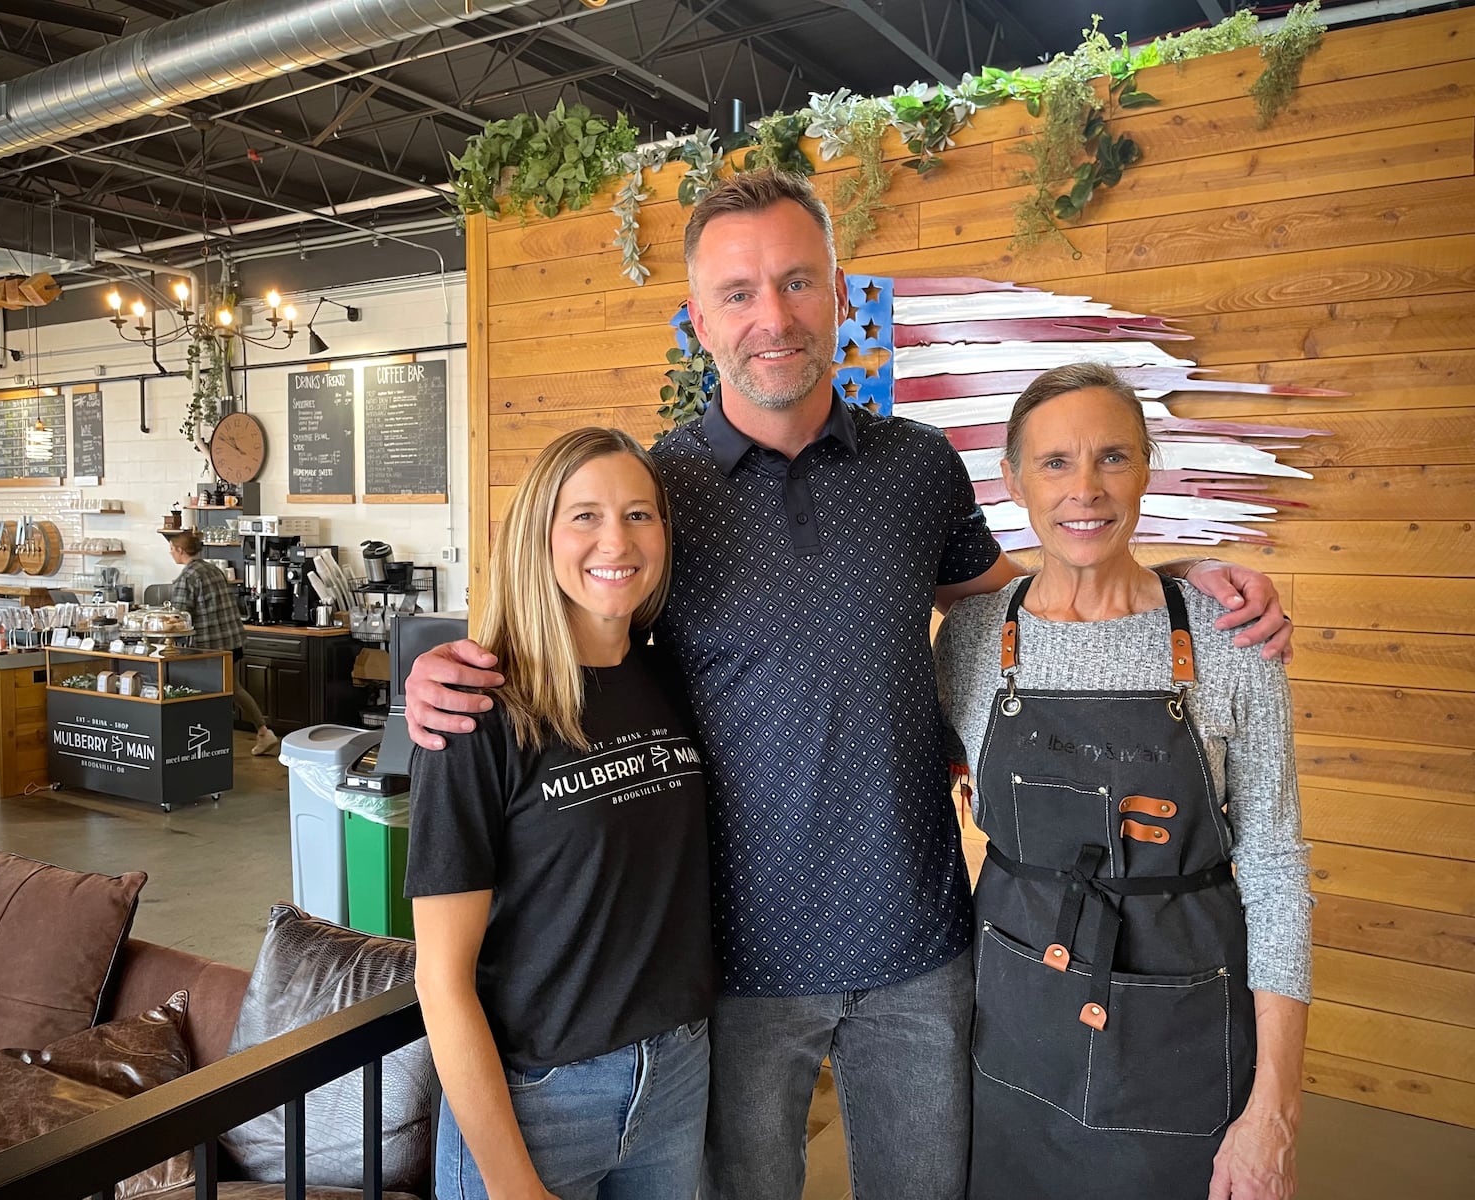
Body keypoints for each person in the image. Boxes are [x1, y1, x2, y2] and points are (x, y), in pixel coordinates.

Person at [405, 169, 1293, 1200]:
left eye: (796, 282)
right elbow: (578, 619)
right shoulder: (660, 491)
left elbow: (1033, 604)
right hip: (726, 965)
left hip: (917, 946)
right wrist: (442, 669)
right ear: (697, 320)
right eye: (737, 293)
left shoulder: (919, 467)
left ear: (838, 295)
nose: (771, 316)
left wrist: (1178, 590)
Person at [934, 361, 1310, 1200]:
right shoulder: (967, 640)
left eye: (1112, 457)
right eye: (1055, 463)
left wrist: (1274, 1113)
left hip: (1184, 1026)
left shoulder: (1231, 639)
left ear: (1146, 467)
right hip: (1015, 1026)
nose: (1086, 490)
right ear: (1013, 481)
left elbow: (1279, 873)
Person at [406, 427, 712, 1200]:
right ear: (538, 536)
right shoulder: (477, 714)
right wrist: (511, 1184)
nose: (618, 539)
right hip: (537, 1100)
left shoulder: (675, 680)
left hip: (674, 1079)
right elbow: (440, 980)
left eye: (640, 514)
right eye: (585, 516)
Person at [165, 529, 278, 756]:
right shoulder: (213, 570)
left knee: (202, 694)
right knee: (234, 689)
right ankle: (264, 732)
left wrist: (159, 625)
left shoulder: (186, 578)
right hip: (232, 640)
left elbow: (179, 619)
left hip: (207, 647)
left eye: (171, 550)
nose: (171, 554)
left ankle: (208, 744)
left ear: (179, 550)